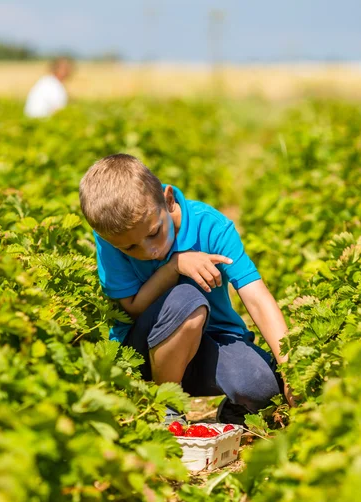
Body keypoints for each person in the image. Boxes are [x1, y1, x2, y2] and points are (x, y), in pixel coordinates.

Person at [79, 154, 296, 424]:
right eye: (130, 248)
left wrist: (291, 371)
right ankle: (165, 406)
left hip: (210, 341)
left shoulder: (211, 226)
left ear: (168, 200)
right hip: (143, 353)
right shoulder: (111, 240)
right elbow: (133, 308)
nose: (151, 251)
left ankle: (236, 410)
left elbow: (256, 297)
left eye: (154, 233)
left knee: (263, 385)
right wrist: (173, 267)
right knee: (187, 299)